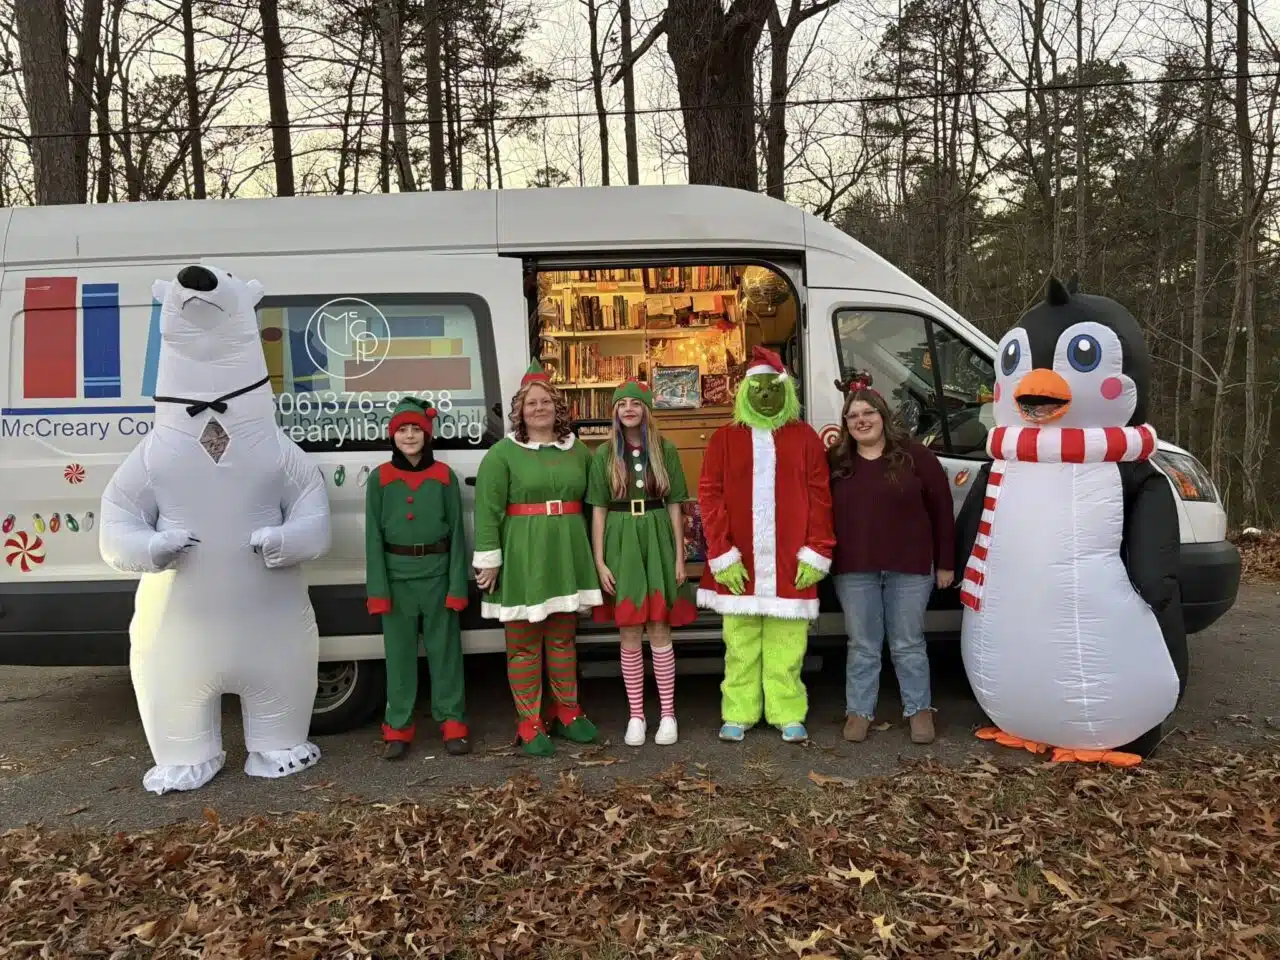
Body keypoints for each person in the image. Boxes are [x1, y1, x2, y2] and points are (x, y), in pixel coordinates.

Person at [697, 345, 836, 744]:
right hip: (738, 560)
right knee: (739, 643)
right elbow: (710, 496)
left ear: (786, 391)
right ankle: (739, 711)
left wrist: (818, 548)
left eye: (771, 386)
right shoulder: (725, 439)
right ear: (744, 392)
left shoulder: (805, 438)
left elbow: (820, 496)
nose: (763, 395)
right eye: (755, 387)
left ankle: (786, 710)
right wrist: (722, 553)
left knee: (787, 643)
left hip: (790, 559)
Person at [472, 361, 604, 757]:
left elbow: (593, 503)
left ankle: (567, 710)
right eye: (531, 403)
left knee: (563, 638)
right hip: (523, 553)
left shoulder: (578, 451)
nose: (539, 408)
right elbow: (488, 509)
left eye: (546, 401)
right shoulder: (501, 455)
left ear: (558, 408)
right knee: (525, 642)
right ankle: (529, 720)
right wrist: (489, 560)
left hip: (566, 551)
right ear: (519, 410)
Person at [829, 375, 955, 746]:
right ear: (846, 423)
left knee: (908, 643)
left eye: (868, 412)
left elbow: (942, 511)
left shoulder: (917, 457)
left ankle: (919, 711)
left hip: (910, 567)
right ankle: (859, 712)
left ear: (883, 415)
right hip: (854, 569)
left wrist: (945, 563)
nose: (861, 420)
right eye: (853, 416)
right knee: (863, 644)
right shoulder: (836, 461)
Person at [587, 379, 696, 747]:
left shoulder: (665, 450)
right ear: (615, 412)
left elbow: (676, 506)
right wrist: (599, 560)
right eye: (622, 404)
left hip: (657, 536)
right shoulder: (604, 455)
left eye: (636, 403)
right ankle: (636, 714)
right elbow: (599, 509)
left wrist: (680, 556)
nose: (628, 409)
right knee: (630, 630)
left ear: (647, 409)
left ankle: (668, 713)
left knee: (659, 627)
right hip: (621, 538)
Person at [364, 396, 471, 759]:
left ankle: (453, 721)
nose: (410, 436)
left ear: (427, 435)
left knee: (446, 654)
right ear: (393, 436)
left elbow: (458, 534)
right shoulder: (380, 479)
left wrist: (458, 585)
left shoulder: (444, 477)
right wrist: (378, 589)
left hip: (438, 576)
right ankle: (398, 727)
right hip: (397, 580)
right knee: (399, 656)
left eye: (416, 430)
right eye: (403, 430)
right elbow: (372, 538)